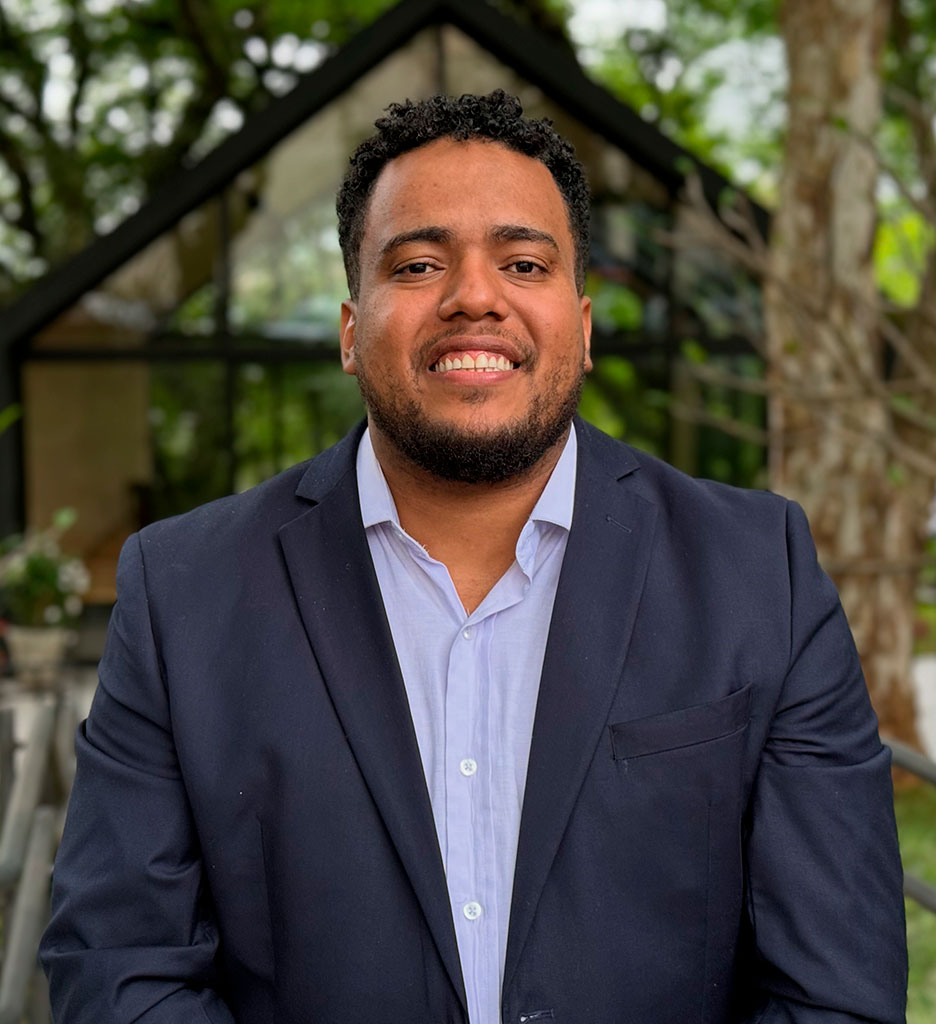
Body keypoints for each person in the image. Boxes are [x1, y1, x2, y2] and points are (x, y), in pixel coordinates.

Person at [41, 90, 906, 1024]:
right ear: (350, 332)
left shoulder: (760, 574)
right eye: (418, 264)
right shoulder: (182, 593)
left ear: (583, 328)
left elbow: (836, 992)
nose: (475, 297)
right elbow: (120, 969)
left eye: (523, 262)